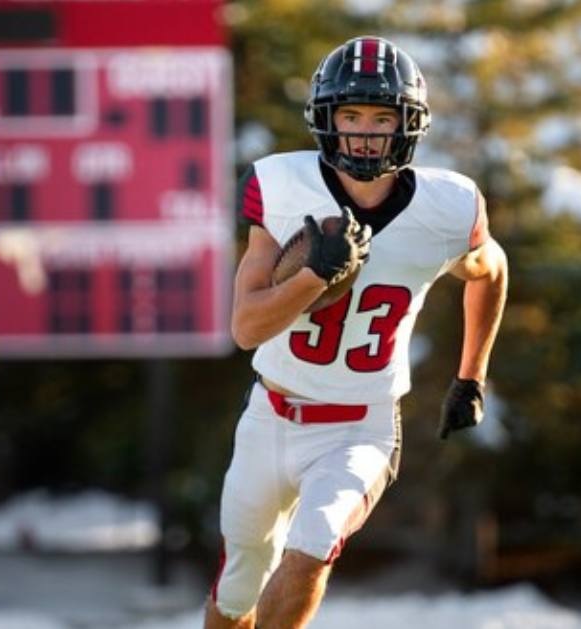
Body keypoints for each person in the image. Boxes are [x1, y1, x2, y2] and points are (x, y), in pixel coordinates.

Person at [204, 36, 509, 629]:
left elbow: (491, 271)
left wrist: (472, 376)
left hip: (360, 425)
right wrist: (313, 277)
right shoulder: (280, 187)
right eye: (351, 115)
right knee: (239, 585)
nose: (365, 132)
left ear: (407, 124)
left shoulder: (450, 209)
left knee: (312, 547)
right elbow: (247, 327)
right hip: (270, 412)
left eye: (380, 117)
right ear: (327, 119)